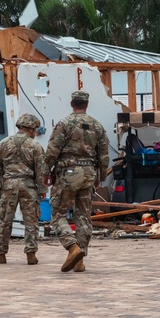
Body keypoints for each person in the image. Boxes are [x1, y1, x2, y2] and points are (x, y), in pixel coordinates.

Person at [43, 90, 110, 272]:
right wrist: (101, 176)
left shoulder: (64, 123)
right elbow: (104, 155)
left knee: (57, 214)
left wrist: (45, 172)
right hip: (89, 173)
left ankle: (72, 247)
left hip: (68, 172)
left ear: (72, 104)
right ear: (86, 105)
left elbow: (52, 150)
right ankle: (80, 259)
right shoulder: (97, 126)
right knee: (83, 216)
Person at [0, 113, 46, 265]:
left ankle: (0, 253)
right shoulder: (35, 146)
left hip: (9, 185)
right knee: (31, 221)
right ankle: (31, 253)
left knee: (5, 220)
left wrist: (0, 187)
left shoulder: (3, 143)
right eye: (35, 130)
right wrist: (42, 189)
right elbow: (41, 170)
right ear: (31, 128)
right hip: (28, 186)